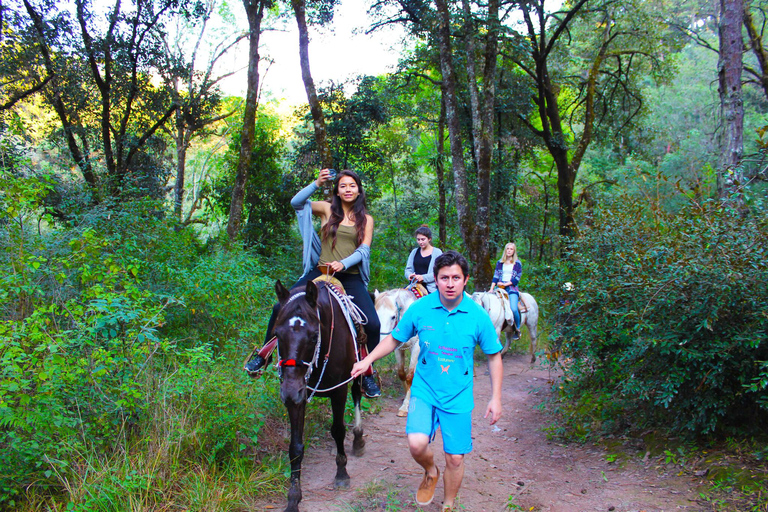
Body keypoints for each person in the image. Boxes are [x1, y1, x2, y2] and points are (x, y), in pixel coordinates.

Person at [351, 250, 503, 511]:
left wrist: (496, 397)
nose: (450, 283)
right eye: (444, 277)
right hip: (424, 390)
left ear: (465, 280)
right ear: (436, 279)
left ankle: (448, 504)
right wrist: (368, 360)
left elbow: (493, 356)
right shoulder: (421, 308)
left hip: (458, 394)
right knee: (417, 444)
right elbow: (395, 338)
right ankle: (430, 472)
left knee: (455, 458)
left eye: (456, 277)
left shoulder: (477, 316)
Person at [246, 169, 382, 398]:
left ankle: (366, 371)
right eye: (343, 186)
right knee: (281, 307)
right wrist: (316, 183)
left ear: (359, 190)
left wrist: (344, 263)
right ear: (337, 191)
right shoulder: (326, 209)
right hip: (319, 271)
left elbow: (364, 249)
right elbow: (296, 202)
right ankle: (264, 354)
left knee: (373, 325)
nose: (348, 190)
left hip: (350, 277)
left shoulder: (366, 219)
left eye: (352, 186)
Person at [489, 242, 522, 338]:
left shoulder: (517, 263)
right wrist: (491, 289)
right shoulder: (500, 262)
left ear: (514, 251)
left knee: (514, 308)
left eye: (511, 249)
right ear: (505, 250)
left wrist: (505, 284)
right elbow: (496, 276)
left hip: (511, 288)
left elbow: (516, 279)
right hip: (499, 288)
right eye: (507, 248)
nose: (509, 251)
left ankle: (517, 329)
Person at [404, 225, 443, 294]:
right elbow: (408, 269)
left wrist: (423, 278)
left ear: (429, 239)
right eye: (418, 239)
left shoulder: (437, 252)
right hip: (413, 286)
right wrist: (409, 275)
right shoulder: (414, 252)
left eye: (423, 239)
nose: (420, 242)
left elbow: (440, 273)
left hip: (431, 288)